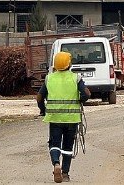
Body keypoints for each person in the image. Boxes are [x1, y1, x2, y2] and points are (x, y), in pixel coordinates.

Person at [36, 51, 90, 183]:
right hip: (72, 118)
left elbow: (39, 97)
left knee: (54, 143)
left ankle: (56, 164)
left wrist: (43, 110)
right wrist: (81, 100)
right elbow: (86, 94)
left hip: (54, 117)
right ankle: (65, 174)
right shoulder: (76, 78)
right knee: (67, 146)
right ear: (69, 64)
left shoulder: (49, 78)